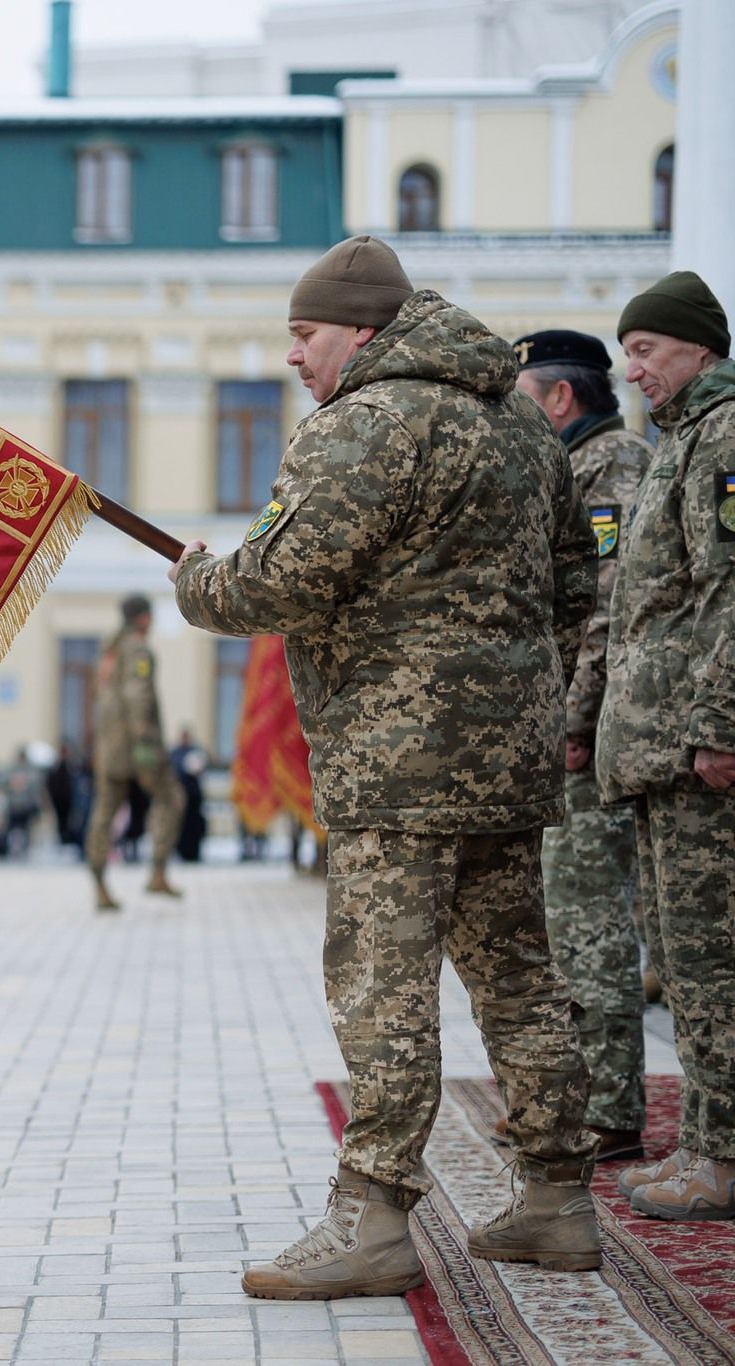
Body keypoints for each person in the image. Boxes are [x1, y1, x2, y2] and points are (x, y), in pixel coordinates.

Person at [171, 235, 600, 1297]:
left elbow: (273, 584)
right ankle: (556, 1197)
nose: (292, 358)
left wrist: (195, 578)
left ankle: (369, 1219)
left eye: (303, 335)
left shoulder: (362, 423)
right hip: (506, 757)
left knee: (382, 987)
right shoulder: (515, 419)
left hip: (395, 763)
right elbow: (570, 583)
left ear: (359, 329)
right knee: (516, 975)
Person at [599, 272, 735, 1221]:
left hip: (699, 753)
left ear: (697, 347)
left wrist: (719, 729)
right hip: (660, 753)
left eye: (646, 349)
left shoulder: (724, 437)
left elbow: (729, 592)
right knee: (683, 966)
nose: (632, 368)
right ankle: (702, 1145)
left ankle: (721, 1160)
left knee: (712, 962)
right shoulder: (679, 441)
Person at [507, 328, 652, 1164]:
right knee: (562, 923)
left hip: (590, 736)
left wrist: (570, 719)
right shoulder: (571, 467)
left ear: (560, 399)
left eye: (524, 398)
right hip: (570, 728)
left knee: (590, 923)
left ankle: (608, 1112)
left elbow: (602, 608)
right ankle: (570, 1104)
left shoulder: (611, 468)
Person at [84, 595, 182, 910]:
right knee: (171, 799)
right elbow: (137, 693)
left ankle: (99, 884)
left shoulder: (108, 651)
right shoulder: (137, 649)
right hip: (138, 746)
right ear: (142, 618)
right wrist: (143, 740)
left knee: (105, 812)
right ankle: (157, 871)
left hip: (109, 747)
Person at [170, 727, 208, 864]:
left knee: (194, 827)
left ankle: (194, 853)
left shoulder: (196, 751)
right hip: (179, 796)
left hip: (194, 798)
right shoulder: (175, 753)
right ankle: (180, 851)